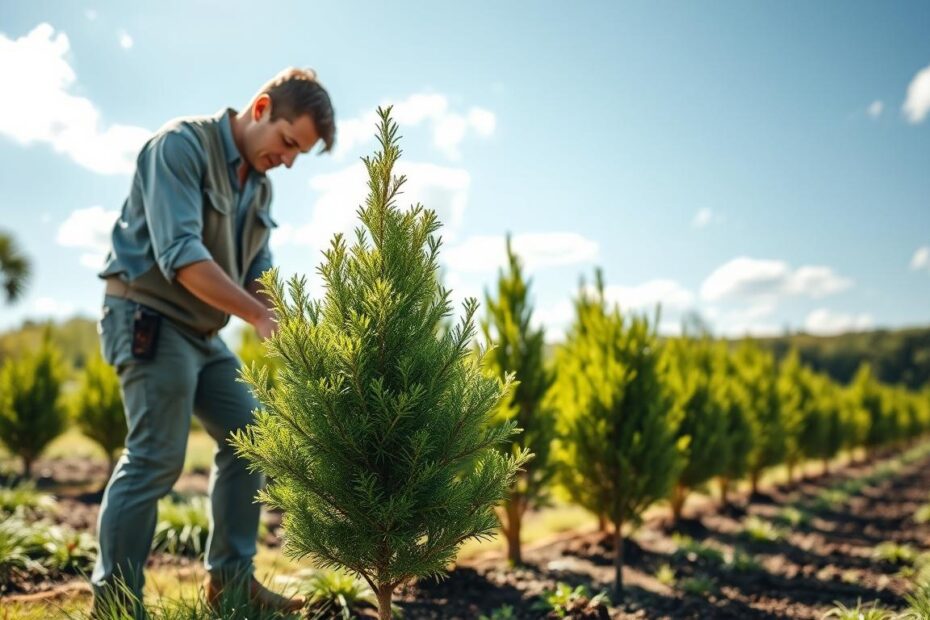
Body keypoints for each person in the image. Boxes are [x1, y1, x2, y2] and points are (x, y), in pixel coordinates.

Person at [90, 67, 335, 614]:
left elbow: (259, 270)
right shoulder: (180, 147)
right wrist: (255, 316)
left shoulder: (261, 185)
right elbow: (180, 257)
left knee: (252, 440)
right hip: (148, 315)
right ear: (262, 107)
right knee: (156, 458)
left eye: (300, 154)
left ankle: (229, 582)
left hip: (203, 331)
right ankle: (114, 604)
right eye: (288, 142)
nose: (289, 159)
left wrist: (285, 322)